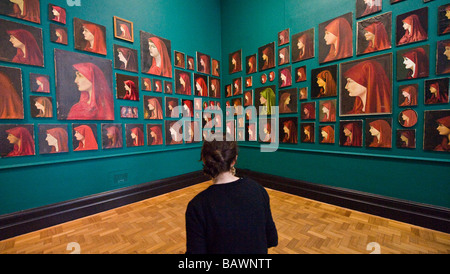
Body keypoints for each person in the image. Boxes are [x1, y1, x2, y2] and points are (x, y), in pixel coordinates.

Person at [185, 135, 278, 254]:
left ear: (204, 160)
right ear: (234, 160)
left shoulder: (197, 206)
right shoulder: (258, 190)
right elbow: (271, 239)